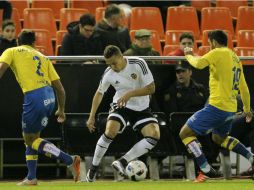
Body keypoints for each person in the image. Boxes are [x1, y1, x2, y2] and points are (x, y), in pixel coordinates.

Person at [0, 30, 81, 185]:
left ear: (18, 41)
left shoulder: (11, 50)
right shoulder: (43, 57)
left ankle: (70, 159)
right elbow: (61, 89)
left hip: (34, 97)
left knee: (30, 139)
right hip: (49, 97)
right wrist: (61, 109)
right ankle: (32, 177)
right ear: (33, 43)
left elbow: (1, 69)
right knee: (32, 138)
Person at [180, 29, 253, 182]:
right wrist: (247, 109)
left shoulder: (218, 52)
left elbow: (198, 64)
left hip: (217, 107)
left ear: (213, 42)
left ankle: (205, 168)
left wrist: (188, 53)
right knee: (219, 138)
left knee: (185, 133)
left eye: (209, 43)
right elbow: (244, 87)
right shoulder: (235, 57)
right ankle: (251, 158)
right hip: (230, 109)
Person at [85, 45, 160, 182]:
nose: (112, 66)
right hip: (120, 105)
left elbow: (151, 88)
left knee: (154, 136)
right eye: (109, 64)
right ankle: (93, 169)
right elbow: (99, 93)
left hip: (142, 108)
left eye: (114, 62)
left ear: (121, 56)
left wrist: (130, 94)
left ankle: (123, 162)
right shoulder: (109, 73)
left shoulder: (138, 63)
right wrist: (91, 117)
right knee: (110, 131)